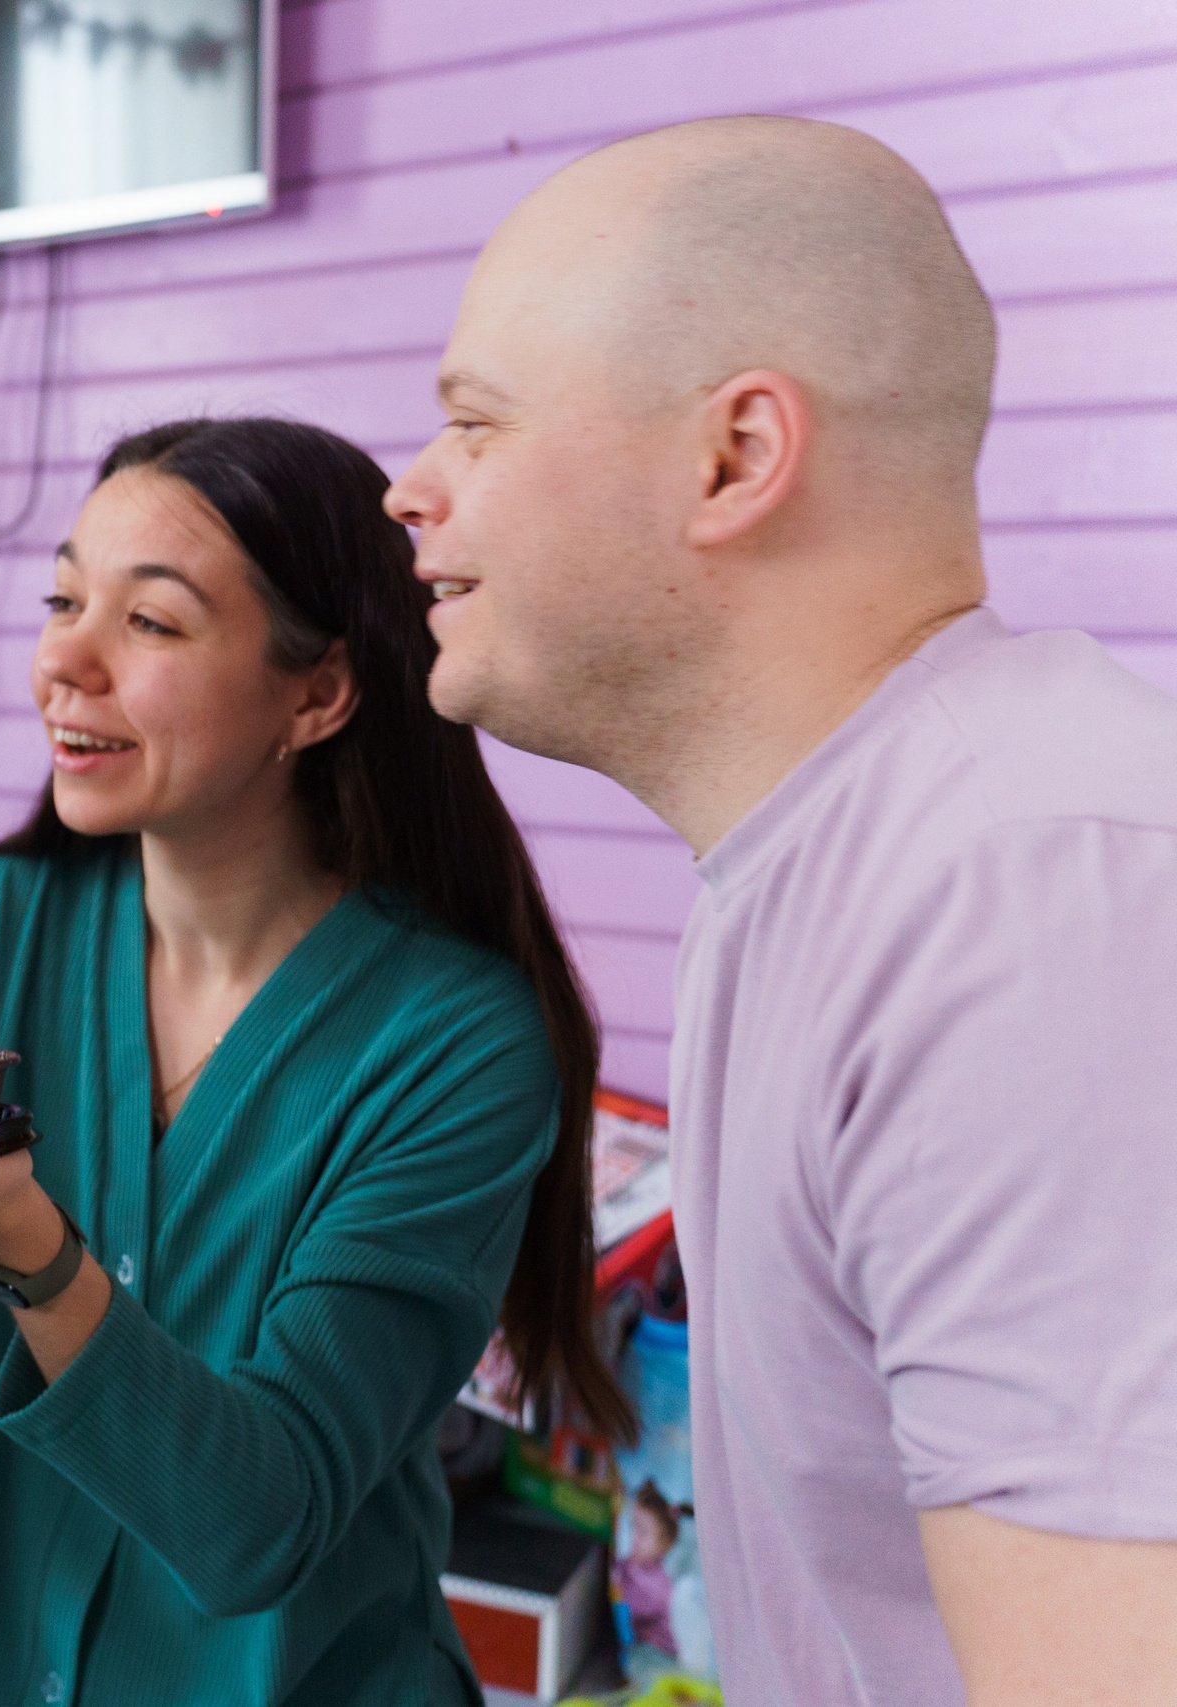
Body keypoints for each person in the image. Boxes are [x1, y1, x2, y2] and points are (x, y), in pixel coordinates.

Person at [385, 115, 1177, 1705]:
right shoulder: (829, 852)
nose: (411, 492)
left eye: (476, 424)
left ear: (736, 456)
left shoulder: (1022, 905)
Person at [0, 417, 632, 1705]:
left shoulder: (459, 1044)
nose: (63, 660)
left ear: (317, 693)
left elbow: (256, 1522)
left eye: (149, 624)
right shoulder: (3, 923)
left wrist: (35, 1250)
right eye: (62, 600)